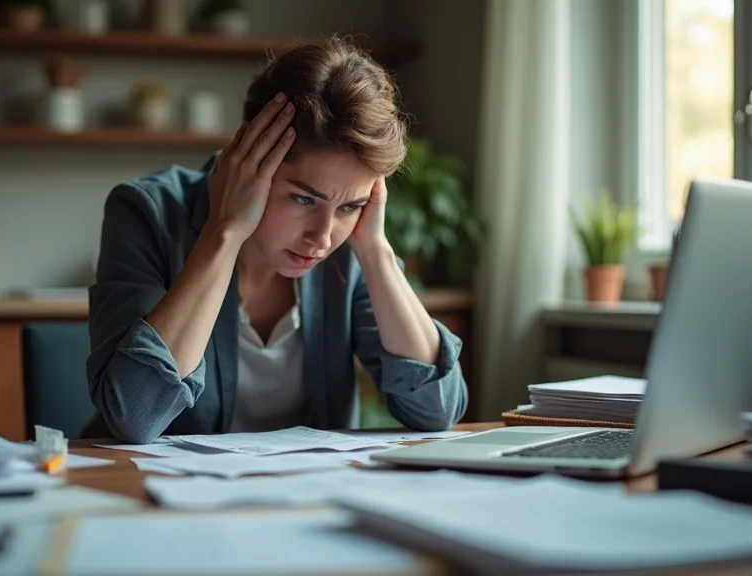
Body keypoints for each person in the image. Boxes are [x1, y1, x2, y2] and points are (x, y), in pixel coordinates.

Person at [83, 37, 468, 444]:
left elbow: (437, 410)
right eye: (304, 198)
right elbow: (134, 415)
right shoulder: (147, 212)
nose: (322, 238)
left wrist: (376, 252)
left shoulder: (352, 243)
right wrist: (225, 232)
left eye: (349, 206)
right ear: (249, 156)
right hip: (156, 497)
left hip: (309, 498)